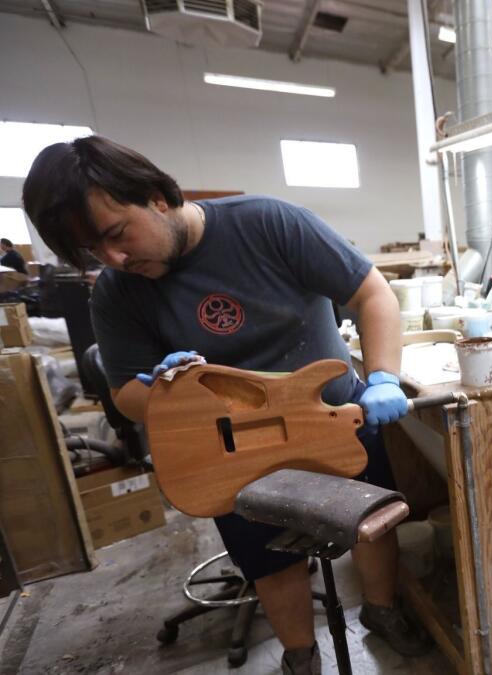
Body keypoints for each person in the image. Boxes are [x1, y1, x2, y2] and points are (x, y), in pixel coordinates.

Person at [22, 136, 425, 675]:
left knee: (373, 523)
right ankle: (300, 657)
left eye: (117, 234)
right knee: (269, 557)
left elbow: (373, 295)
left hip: (335, 418)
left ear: (155, 197)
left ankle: (382, 610)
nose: (115, 258)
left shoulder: (271, 224)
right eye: (95, 252)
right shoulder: (117, 292)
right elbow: (126, 394)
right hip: (233, 449)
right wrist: (166, 391)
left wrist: (381, 377)